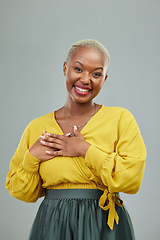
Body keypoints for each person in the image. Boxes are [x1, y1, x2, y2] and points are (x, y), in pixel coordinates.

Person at [6, 39, 146, 240]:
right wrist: (31, 157)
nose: (86, 79)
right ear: (65, 68)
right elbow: (21, 191)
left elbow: (131, 178)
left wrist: (85, 149)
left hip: (103, 225)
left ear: (104, 79)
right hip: (52, 224)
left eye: (96, 74)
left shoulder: (121, 119)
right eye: (78, 69)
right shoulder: (37, 127)